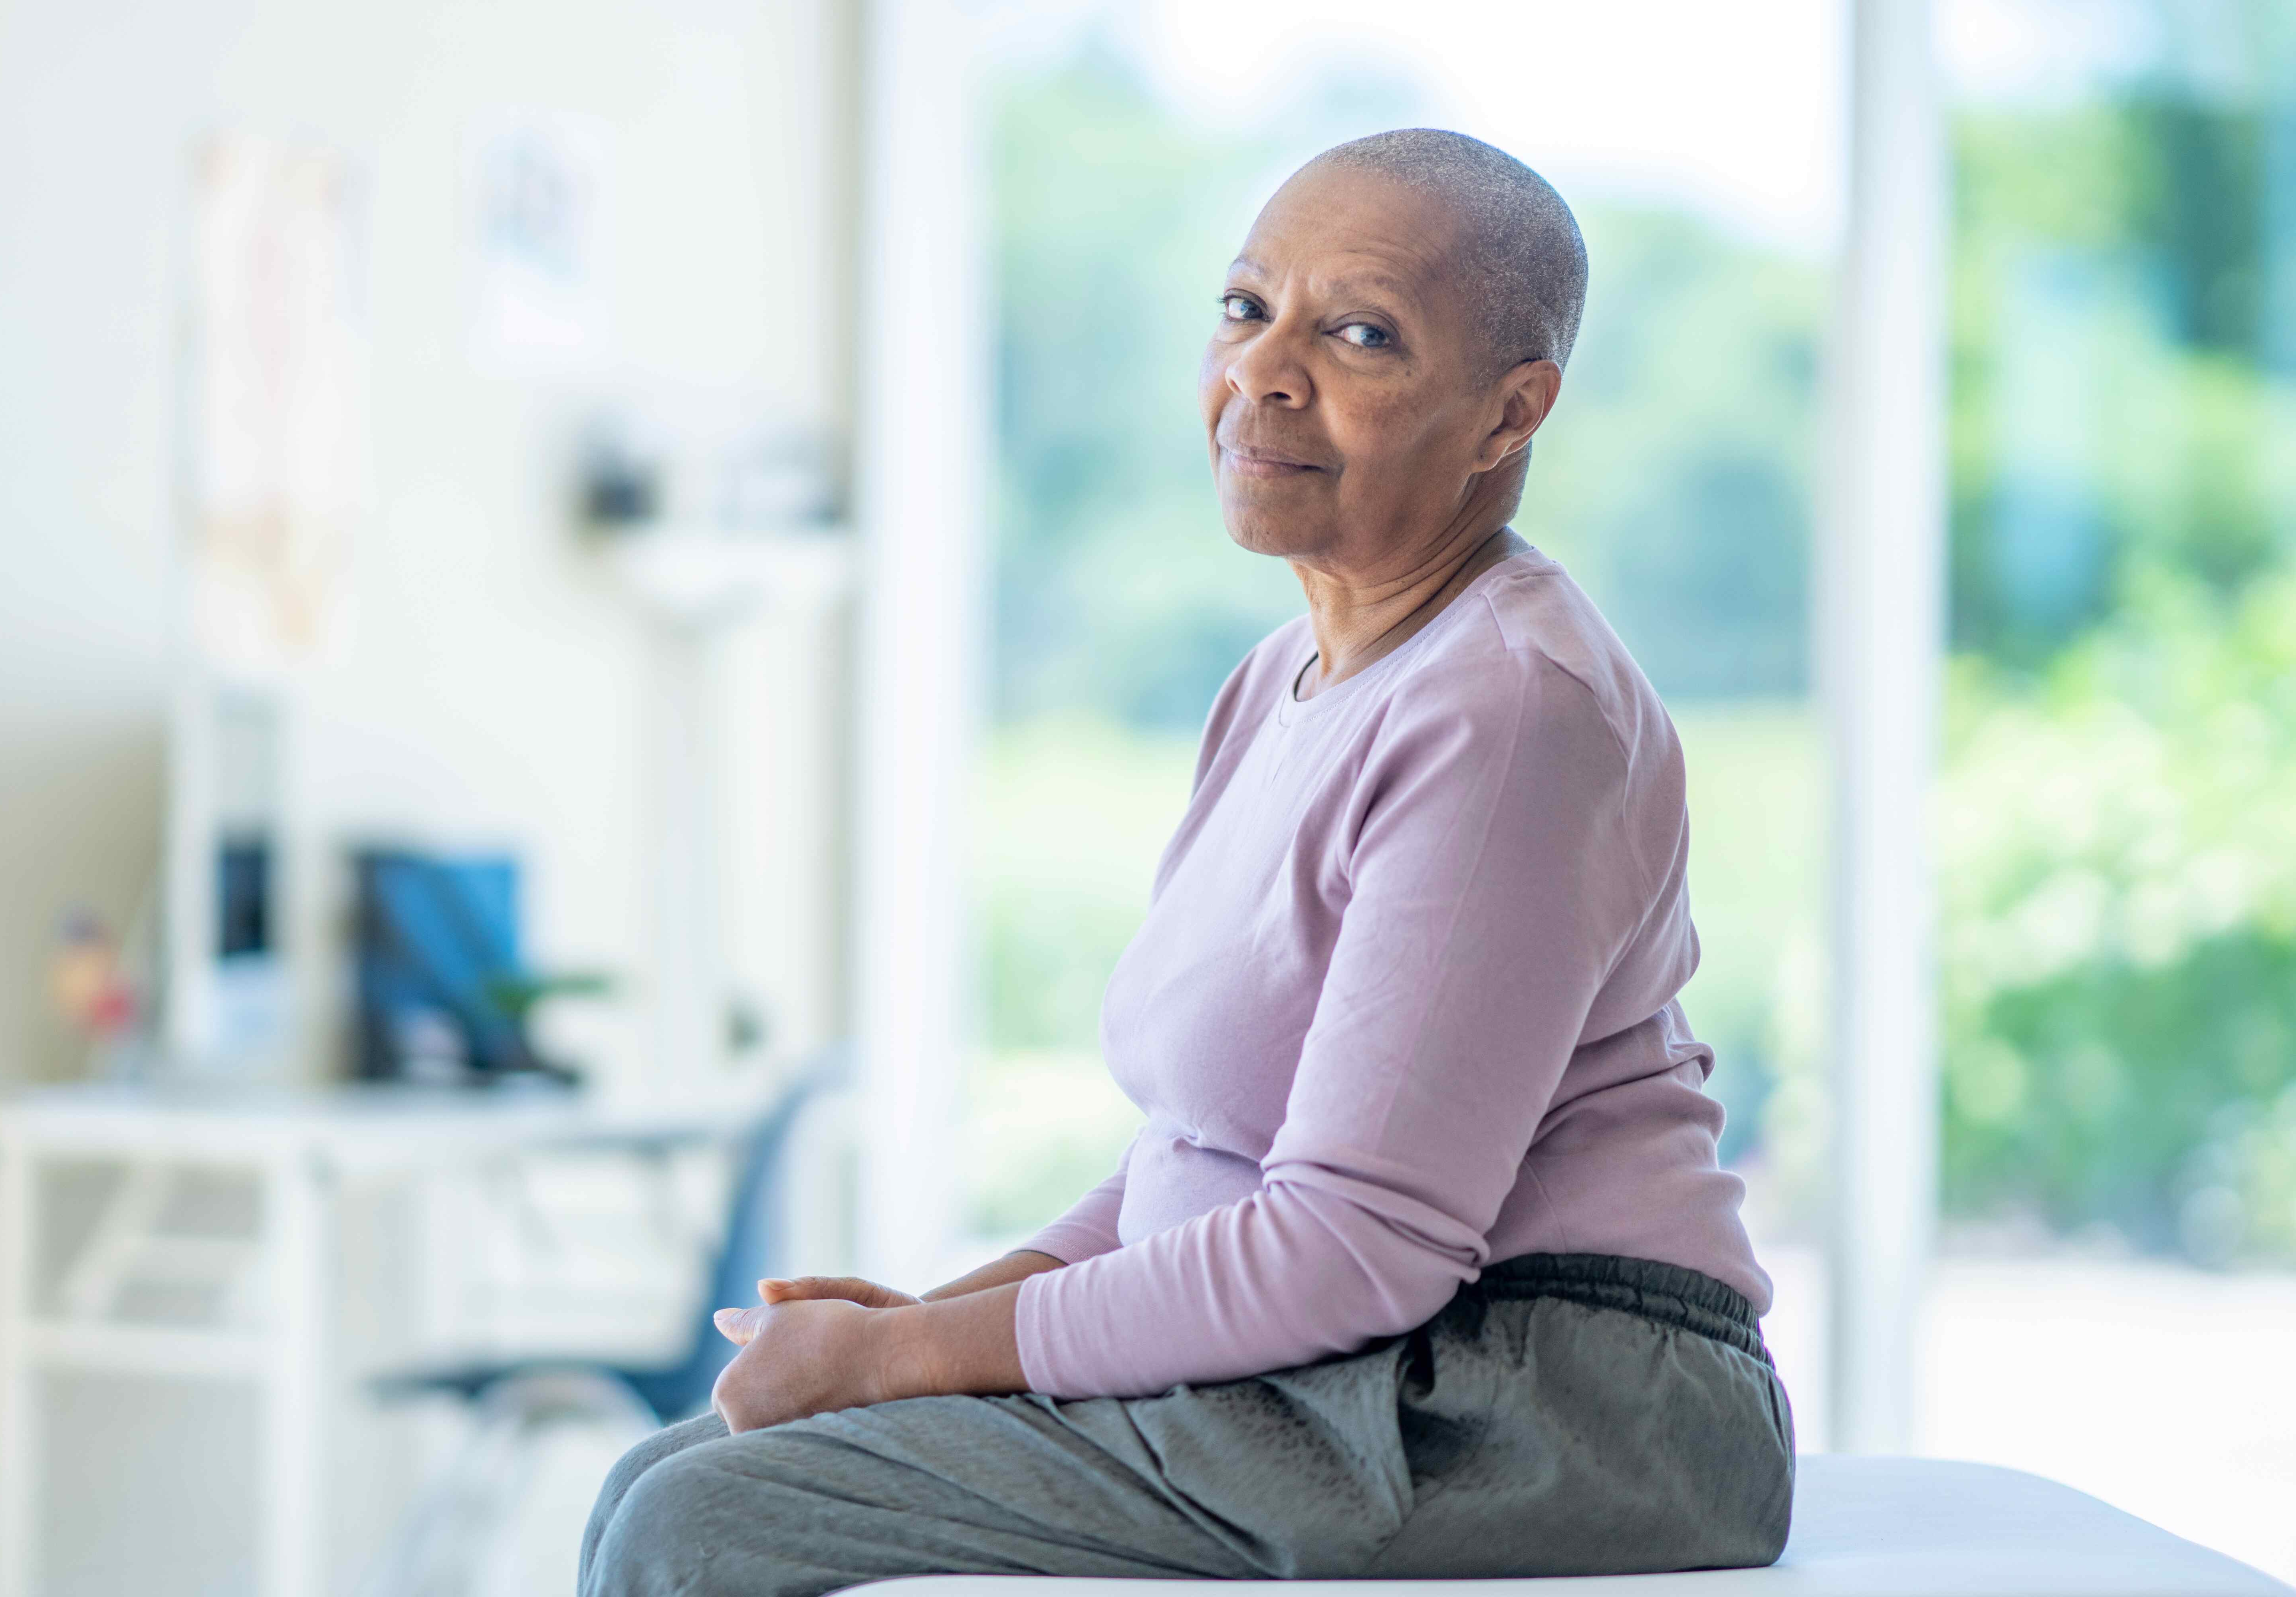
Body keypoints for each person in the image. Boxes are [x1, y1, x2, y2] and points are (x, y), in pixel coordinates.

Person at [580, 127, 1793, 1597]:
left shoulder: (1511, 710)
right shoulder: (1284, 677)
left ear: (1508, 414)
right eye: (1243, 308)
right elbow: (1201, 1150)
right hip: (1368, 1363)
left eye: (1360, 334)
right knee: (675, 1470)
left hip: (1539, 1401)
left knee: (701, 1522)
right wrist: (924, 1324)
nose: (1267, 373)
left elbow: (1356, 1246)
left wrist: (905, 1358)